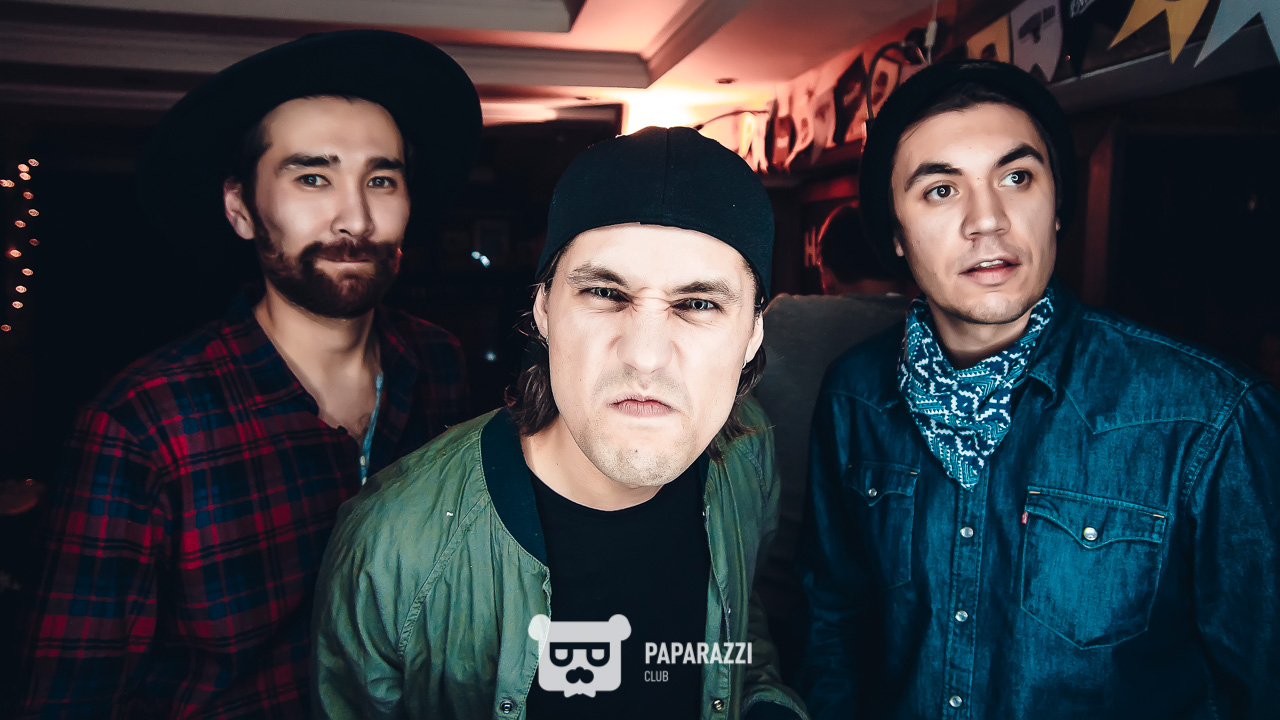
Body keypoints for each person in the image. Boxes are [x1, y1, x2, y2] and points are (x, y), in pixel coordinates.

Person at [17, 30, 480, 718]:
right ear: (240, 209)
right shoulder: (143, 426)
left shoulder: (438, 363)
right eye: (312, 177)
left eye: (380, 180)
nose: (356, 217)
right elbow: (67, 697)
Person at [799, 60, 1280, 719]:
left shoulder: (1210, 417)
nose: (987, 220)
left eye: (1016, 177)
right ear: (896, 236)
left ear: (1056, 207)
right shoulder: (854, 395)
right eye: (941, 190)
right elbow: (834, 622)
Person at [312, 126, 807, 720]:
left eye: (698, 304)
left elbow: (740, 633)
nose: (645, 356)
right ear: (543, 309)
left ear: (752, 334)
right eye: (605, 293)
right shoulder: (390, 546)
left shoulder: (748, 456)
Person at [751, 204, 909, 680]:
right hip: (891, 616)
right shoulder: (936, 335)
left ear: (824, 268)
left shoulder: (780, 320)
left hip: (769, 594)